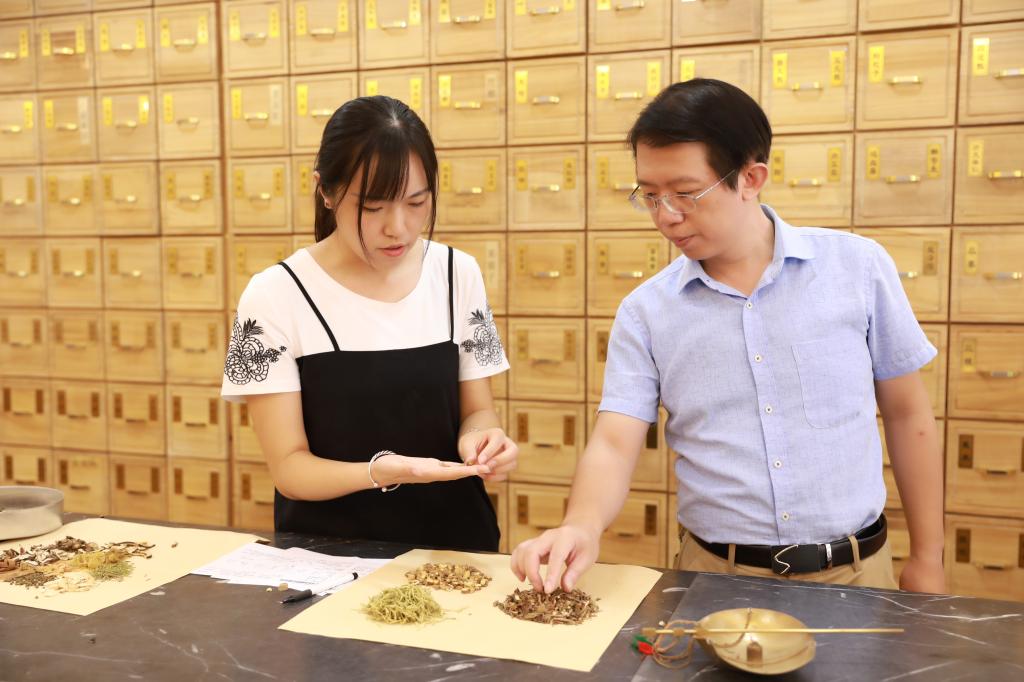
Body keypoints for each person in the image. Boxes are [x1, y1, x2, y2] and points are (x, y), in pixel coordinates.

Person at [510, 79, 945, 593]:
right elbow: (614, 442)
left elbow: (907, 414)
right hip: (714, 576)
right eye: (650, 196)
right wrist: (581, 525)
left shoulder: (857, 268)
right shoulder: (647, 312)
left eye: (685, 194)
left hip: (857, 573)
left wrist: (928, 557)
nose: (666, 216)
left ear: (751, 178)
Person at [221, 95, 517, 551]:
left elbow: (477, 410)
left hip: (455, 552)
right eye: (374, 207)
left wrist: (482, 440)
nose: (398, 227)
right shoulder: (274, 295)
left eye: (416, 202)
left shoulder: (458, 273)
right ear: (325, 191)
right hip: (327, 559)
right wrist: (382, 472)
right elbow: (289, 469)